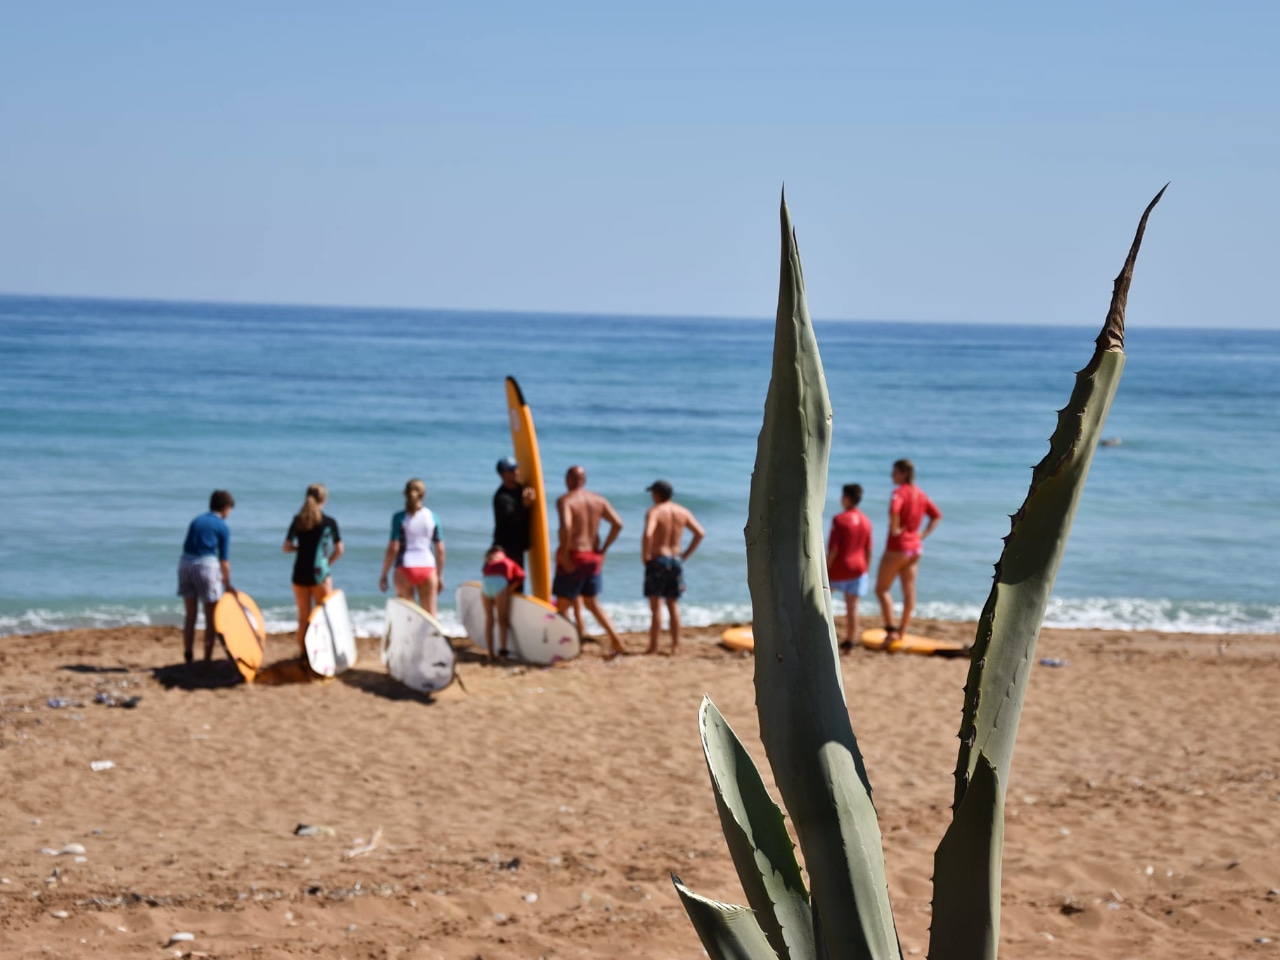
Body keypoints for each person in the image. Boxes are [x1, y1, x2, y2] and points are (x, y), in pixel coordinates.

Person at [553, 465, 626, 657]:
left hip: (575, 554)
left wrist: (565, 554)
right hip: (593, 556)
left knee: (563, 604)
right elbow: (618, 524)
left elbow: (566, 527)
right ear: (584, 480)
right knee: (592, 603)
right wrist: (604, 548)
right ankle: (617, 641)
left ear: (568, 480)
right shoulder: (598, 500)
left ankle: (565, 645)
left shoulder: (565, 500)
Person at [874, 459, 942, 644]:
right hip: (915, 549)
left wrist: (895, 529)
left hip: (898, 548)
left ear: (903, 473)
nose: (892, 476)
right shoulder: (920, 493)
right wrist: (923, 535)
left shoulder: (899, 492)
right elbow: (936, 515)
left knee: (881, 589)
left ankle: (891, 630)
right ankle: (902, 630)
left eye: (894, 472)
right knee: (909, 590)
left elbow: (894, 510)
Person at [640, 480, 705, 655]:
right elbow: (700, 533)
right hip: (675, 560)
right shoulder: (682, 511)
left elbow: (648, 534)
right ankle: (675, 646)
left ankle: (654, 646)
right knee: (673, 605)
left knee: (656, 607)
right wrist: (684, 555)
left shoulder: (654, 511)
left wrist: (645, 556)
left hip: (658, 560)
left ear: (657, 494)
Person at [283, 482, 344, 655]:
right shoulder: (329, 522)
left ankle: (304, 655)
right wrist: (327, 563)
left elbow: (286, 547)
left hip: (299, 574)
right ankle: (323, 654)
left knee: (303, 619)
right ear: (324, 499)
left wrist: (300, 549)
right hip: (320, 575)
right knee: (323, 617)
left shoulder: (298, 521)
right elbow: (339, 550)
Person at [176, 490, 234, 665]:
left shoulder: (196, 520)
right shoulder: (222, 527)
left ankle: (188, 655)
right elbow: (224, 560)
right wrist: (227, 582)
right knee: (211, 617)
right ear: (225, 508)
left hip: (185, 563)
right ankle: (207, 659)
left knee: (190, 615)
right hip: (206, 566)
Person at [379, 478, 445, 616]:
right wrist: (439, 575)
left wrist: (384, 574)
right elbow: (440, 550)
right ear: (424, 495)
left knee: (407, 616)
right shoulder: (433, 517)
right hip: (427, 567)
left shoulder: (399, 517)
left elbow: (393, 548)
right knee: (430, 615)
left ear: (405, 493)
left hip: (405, 568)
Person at [827, 483, 873, 654]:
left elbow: (834, 550)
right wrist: (865, 570)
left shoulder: (839, 519)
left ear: (846, 498)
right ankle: (850, 644)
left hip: (838, 569)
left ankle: (823, 637)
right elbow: (868, 550)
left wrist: (824, 567)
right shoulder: (866, 521)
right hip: (858, 568)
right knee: (852, 608)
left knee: (823, 605)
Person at [480, 544, 525, 662]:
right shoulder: (508, 561)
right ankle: (503, 653)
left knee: (489, 620)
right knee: (502, 620)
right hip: (500, 583)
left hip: (485, 584)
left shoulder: (489, 563)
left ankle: (490, 653)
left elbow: (485, 575)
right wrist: (510, 589)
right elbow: (521, 576)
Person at [492, 457, 535, 574]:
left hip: (518, 546)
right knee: (508, 585)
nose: (516, 472)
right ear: (502, 475)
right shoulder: (501, 497)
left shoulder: (521, 489)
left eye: (516, 468)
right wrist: (525, 505)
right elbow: (512, 520)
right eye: (511, 470)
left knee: (518, 583)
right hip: (505, 548)